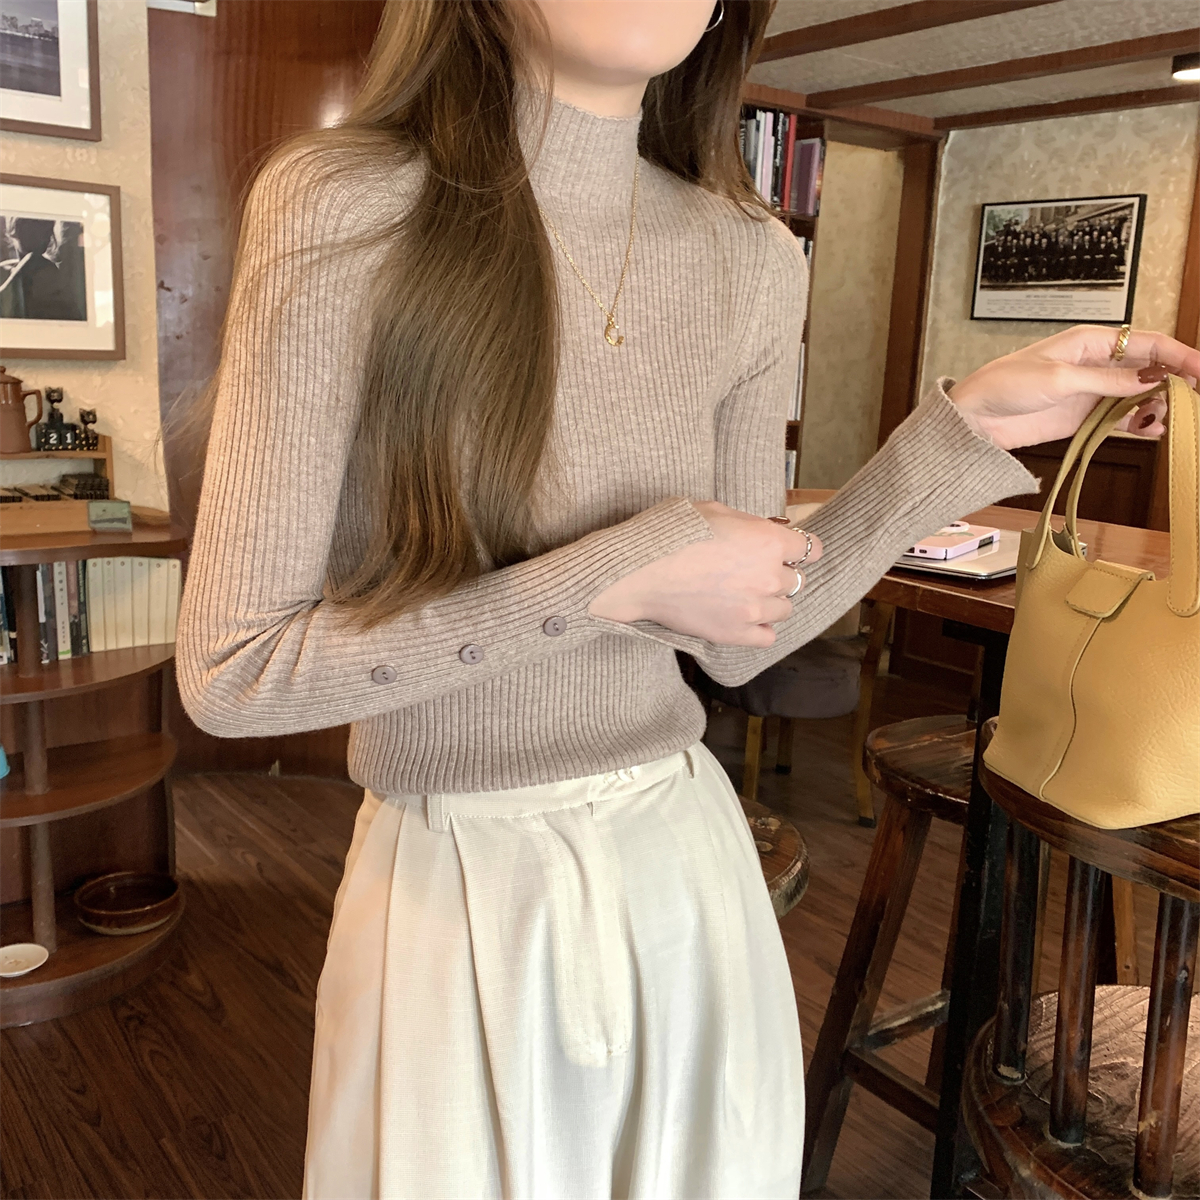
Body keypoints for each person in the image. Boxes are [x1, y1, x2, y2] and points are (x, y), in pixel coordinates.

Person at [175, 2, 1193, 1197]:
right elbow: (235, 675)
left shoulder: (750, 252)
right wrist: (609, 576)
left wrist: (963, 429)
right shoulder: (345, 203)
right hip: (460, 888)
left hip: (683, 863)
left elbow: (748, 634)